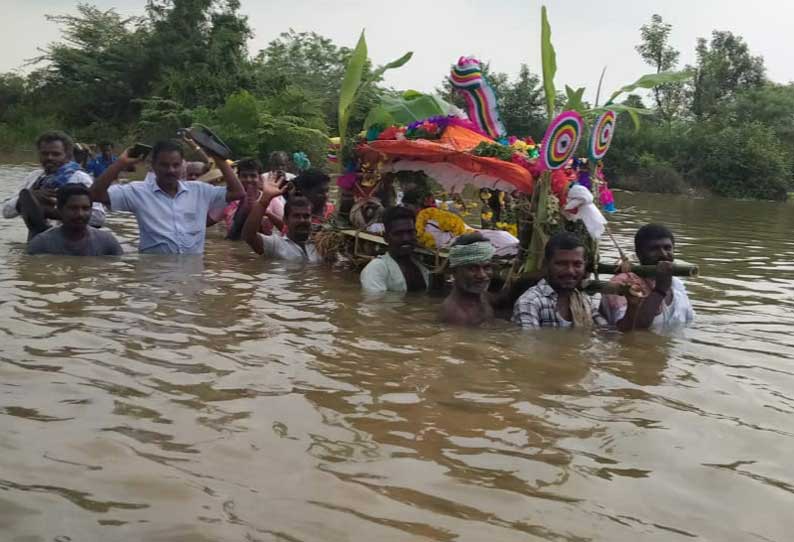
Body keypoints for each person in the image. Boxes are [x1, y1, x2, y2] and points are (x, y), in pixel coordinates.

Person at [90, 139, 245, 254]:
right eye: (164, 165)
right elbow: (94, 195)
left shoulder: (200, 191)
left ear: (183, 164)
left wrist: (219, 160)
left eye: (176, 165)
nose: (170, 170)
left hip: (191, 277)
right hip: (154, 277)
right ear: (152, 166)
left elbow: (238, 193)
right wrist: (120, 163)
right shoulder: (138, 192)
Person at [2, 131, 105, 239]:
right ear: (39, 154)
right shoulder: (34, 178)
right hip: (38, 241)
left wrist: (50, 212)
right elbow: (6, 212)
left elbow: (98, 218)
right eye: (44, 153)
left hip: (71, 245)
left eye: (56, 154)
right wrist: (30, 197)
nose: (49, 157)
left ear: (67, 156)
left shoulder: (80, 178)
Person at [602, 224, 695, 330]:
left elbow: (689, 323)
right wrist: (660, 290)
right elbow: (629, 331)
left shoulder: (676, 283)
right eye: (654, 249)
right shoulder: (623, 283)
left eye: (667, 248)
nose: (663, 254)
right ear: (639, 253)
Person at [512, 232, 606, 328]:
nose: (570, 271)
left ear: (584, 266)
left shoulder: (584, 300)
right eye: (561, 264)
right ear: (546, 265)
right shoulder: (530, 302)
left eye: (577, 264)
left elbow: (605, 332)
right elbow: (528, 341)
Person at [242, 173, 321, 263]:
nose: (302, 220)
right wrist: (265, 200)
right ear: (285, 220)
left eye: (306, 216)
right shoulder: (275, 245)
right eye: (296, 216)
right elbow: (249, 236)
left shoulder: (321, 245)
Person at [27, 184, 123, 256]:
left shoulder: (107, 242)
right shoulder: (41, 244)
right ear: (60, 210)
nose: (80, 214)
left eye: (85, 208)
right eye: (73, 208)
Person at [360, 206, 430, 293]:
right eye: (398, 234)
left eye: (410, 232)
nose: (406, 238)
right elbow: (375, 304)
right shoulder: (377, 269)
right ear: (386, 237)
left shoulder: (423, 264)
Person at [439, 233, 496, 326]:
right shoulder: (456, 315)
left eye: (487, 267)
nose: (482, 275)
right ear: (454, 271)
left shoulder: (481, 296)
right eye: (472, 268)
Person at [208, 158, 265, 240]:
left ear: (260, 178)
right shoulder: (229, 201)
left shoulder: (271, 201)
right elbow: (206, 222)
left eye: (253, 176)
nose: (248, 180)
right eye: (244, 176)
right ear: (238, 177)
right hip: (234, 242)